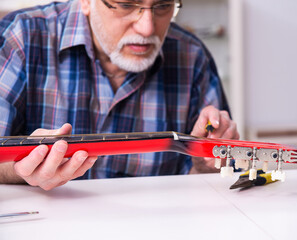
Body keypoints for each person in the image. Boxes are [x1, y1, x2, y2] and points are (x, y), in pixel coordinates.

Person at [0, 0, 239, 190]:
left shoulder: (193, 57)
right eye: (126, 5)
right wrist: (20, 169)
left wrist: (204, 164)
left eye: (163, 6)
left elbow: (205, 188)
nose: (147, 28)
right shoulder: (21, 37)